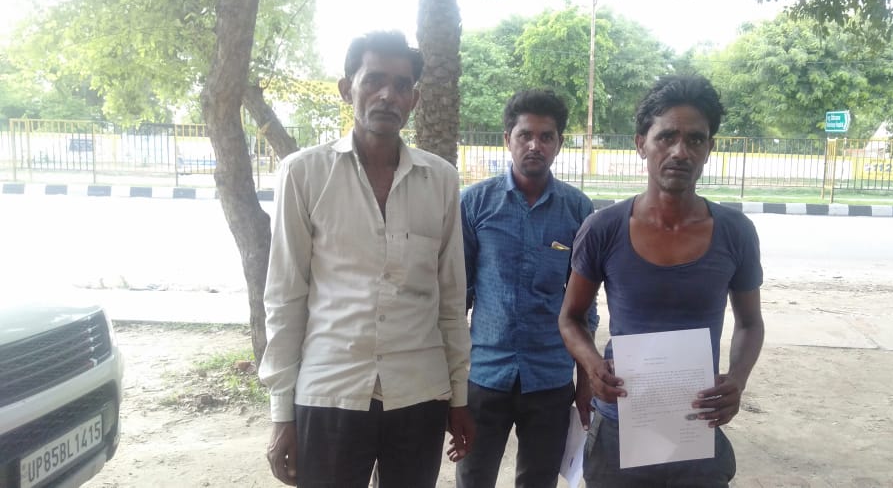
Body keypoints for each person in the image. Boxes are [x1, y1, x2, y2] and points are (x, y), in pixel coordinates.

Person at [259, 30, 475, 488]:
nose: (387, 95)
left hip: (419, 392)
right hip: (330, 389)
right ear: (346, 89)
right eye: (373, 80)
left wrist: (459, 398)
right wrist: (282, 413)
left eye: (401, 85)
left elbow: (451, 299)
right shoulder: (303, 173)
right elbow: (285, 296)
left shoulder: (440, 180)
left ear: (414, 100)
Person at [558, 75, 765, 487]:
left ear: (709, 148)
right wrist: (593, 365)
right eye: (666, 137)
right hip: (620, 426)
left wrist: (737, 380)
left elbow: (750, 323)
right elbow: (570, 318)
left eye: (695, 139)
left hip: (696, 424)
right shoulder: (603, 229)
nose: (680, 152)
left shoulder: (735, 232)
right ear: (641, 144)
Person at [456, 89, 598, 488]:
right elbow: (457, 297)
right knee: (473, 479)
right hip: (486, 375)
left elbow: (584, 308)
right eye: (525, 135)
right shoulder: (475, 204)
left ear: (559, 144)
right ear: (508, 139)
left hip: (550, 377)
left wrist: (585, 382)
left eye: (546, 136)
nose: (535, 145)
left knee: (538, 481)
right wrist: (451, 387)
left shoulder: (577, 209)